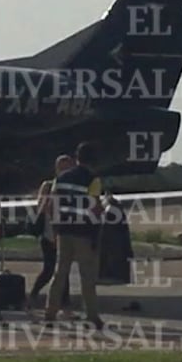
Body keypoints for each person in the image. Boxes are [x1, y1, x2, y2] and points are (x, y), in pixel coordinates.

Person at [45, 141, 106, 329]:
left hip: (64, 231)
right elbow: (95, 208)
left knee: (60, 273)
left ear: (76, 158)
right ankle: (92, 316)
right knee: (87, 276)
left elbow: (51, 206)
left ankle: (50, 313)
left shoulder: (60, 178)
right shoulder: (93, 180)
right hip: (84, 233)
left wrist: (55, 229)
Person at [29, 154, 74, 310]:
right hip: (49, 234)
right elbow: (41, 209)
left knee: (63, 269)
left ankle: (65, 303)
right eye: (62, 168)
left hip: (65, 232)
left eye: (68, 168)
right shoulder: (49, 186)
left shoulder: (71, 187)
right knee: (49, 270)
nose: (65, 171)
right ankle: (33, 295)